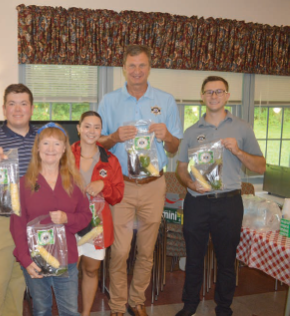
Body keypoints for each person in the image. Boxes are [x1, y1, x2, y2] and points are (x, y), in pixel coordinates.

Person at [97, 44, 183, 316]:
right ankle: (117, 305)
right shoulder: (109, 101)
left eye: (142, 65)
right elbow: (97, 142)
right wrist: (114, 137)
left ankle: (137, 301)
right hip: (120, 185)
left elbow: (174, 147)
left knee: (146, 250)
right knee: (121, 251)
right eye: (131, 65)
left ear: (149, 68)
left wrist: (167, 136)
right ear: (124, 68)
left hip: (154, 185)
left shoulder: (166, 101)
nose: (136, 71)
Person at [174, 76, 266, 316]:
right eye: (209, 92)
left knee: (227, 260)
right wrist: (190, 183)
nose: (213, 96)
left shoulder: (243, 128)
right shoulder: (191, 131)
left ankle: (224, 307)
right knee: (194, 258)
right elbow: (180, 169)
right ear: (202, 96)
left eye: (219, 91)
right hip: (196, 203)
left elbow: (261, 167)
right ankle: (190, 304)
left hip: (229, 203)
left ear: (227, 95)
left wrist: (237, 150)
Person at [10, 122, 91, 316]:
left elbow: (86, 217)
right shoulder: (23, 184)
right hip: (35, 259)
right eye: (46, 143)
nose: (51, 149)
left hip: (67, 259)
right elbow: (17, 225)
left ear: (64, 149)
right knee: (41, 310)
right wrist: (26, 260)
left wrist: (67, 218)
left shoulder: (75, 182)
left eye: (56, 144)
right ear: (37, 148)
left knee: (70, 311)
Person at [0, 83, 37, 316]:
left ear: (31, 108)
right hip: (0, 220)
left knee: (17, 284)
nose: (18, 109)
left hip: (31, 221)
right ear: (4, 109)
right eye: (12, 103)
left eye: (23, 103)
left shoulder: (42, 139)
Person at [70, 111, 124, 316]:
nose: (91, 131)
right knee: (68, 274)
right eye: (87, 126)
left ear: (101, 130)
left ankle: (84, 314)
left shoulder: (110, 160)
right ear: (79, 128)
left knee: (91, 271)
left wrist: (104, 184)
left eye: (96, 127)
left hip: (96, 226)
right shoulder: (64, 155)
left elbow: (117, 195)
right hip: (68, 223)